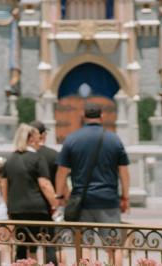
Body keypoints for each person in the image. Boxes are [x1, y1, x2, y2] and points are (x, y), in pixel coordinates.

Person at [55, 104, 130, 265]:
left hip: (82, 201)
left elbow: (62, 171)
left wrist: (60, 196)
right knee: (114, 246)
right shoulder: (114, 139)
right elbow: (123, 172)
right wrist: (125, 197)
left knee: (84, 245)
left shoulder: (72, 139)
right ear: (101, 116)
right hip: (108, 200)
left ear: (83, 116)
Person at [5, 123, 58, 263]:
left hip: (17, 209)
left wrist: (9, 207)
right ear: (31, 139)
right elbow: (44, 184)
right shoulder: (37, 158)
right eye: (36, 138)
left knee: (22, 246)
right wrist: (55, 203)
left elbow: (5, 186)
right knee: (48, 243)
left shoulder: (10, 159)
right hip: (38, 208)